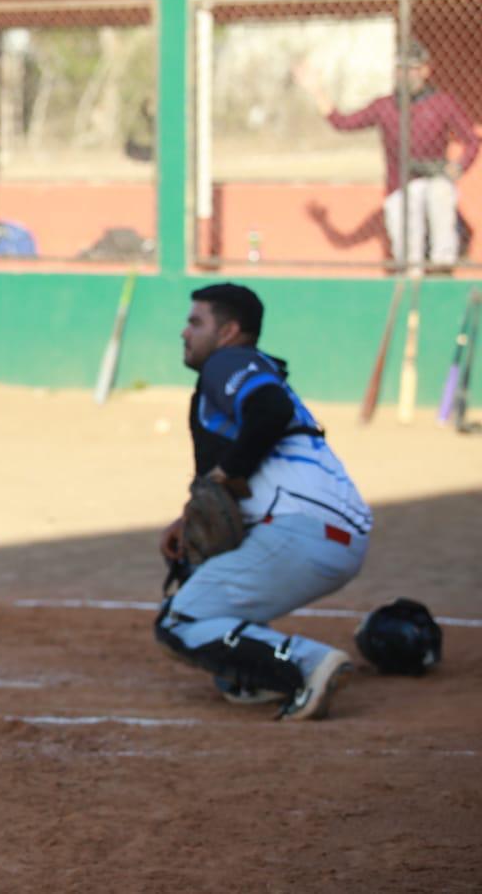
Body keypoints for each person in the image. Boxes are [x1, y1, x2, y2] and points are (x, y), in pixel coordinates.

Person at [155, 283, 372, 721]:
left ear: (230, 330)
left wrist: (226, 472)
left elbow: (268, 412)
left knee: (181, 621)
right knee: (193, 571)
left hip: (299, 529)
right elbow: (220, 477)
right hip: (323, 530)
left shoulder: (229, 363)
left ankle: (308, 663)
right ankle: (252, 675)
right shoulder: (231, 379)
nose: (185, 332)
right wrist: (186, 515)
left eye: (196, 322)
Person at [294, 41, 479, 269]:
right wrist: (316, 90)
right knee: (405, 232)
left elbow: (472, 140)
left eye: (412, 68)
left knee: (439, 194)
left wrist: (458, 166)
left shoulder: (441, 103)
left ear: (425, 70)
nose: (406, 75)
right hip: (401, 184)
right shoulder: (385, 106)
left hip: (435, 178)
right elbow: (343, 123)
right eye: (400, 69)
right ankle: (411, 273)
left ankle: (443, 267)